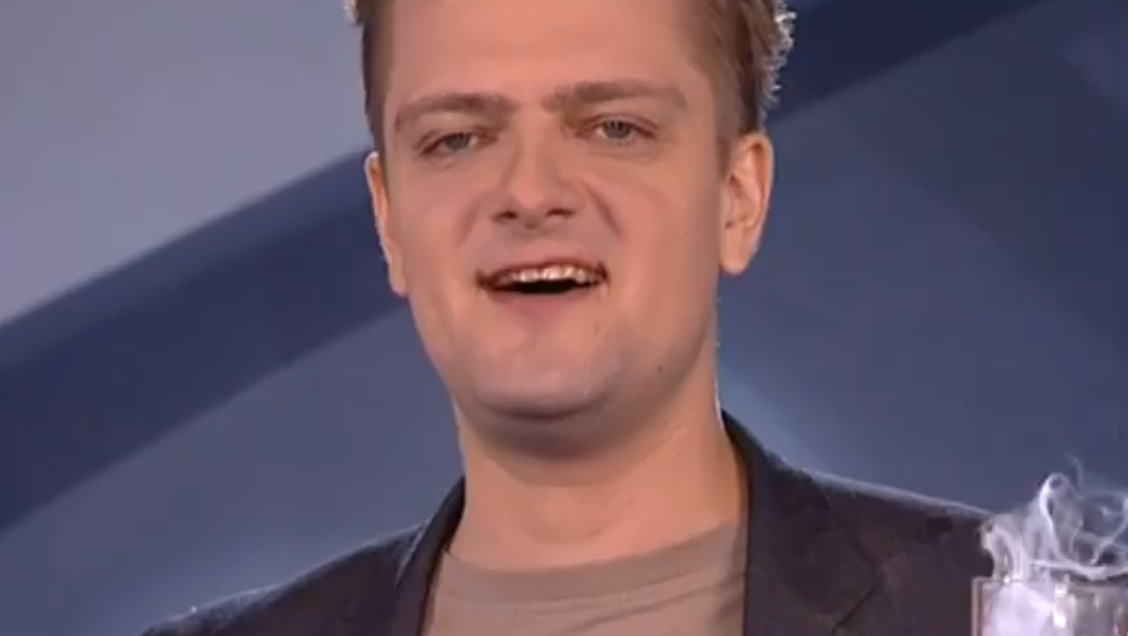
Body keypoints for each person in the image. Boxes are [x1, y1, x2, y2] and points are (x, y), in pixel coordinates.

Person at [144, 0, 992, 634]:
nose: (529, 191)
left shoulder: (995, 613)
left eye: (613, 128)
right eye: (456, 139)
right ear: (389, 220)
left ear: (737, 198)